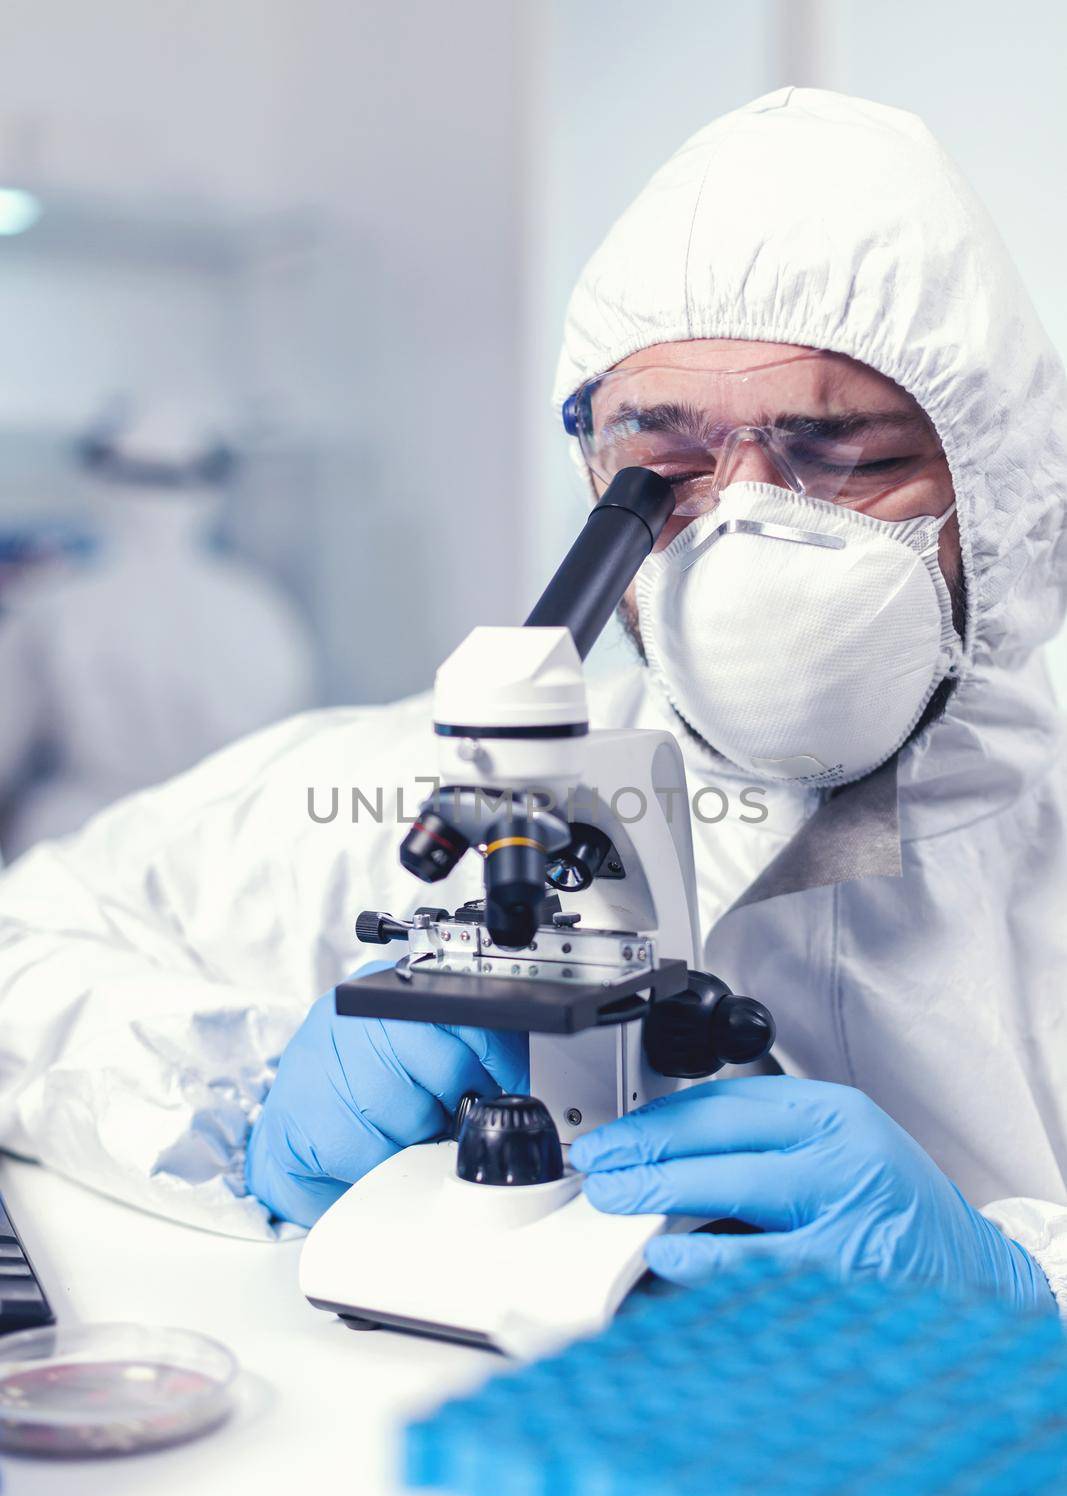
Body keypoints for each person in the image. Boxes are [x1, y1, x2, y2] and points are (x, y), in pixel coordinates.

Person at [0, 89, 1064, 1312]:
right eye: (659, 466)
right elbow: (23, 949)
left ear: (1002, 491)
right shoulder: (430, 780)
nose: (742, 531)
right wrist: (227, 1093)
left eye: (844, 457)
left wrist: (1020, 1293)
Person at [0, 404, 315, 859]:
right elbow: (292, 758)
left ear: (98, 479)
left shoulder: (55, 607)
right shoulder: (263, 610)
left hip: (81, 846)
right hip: (214, 850)